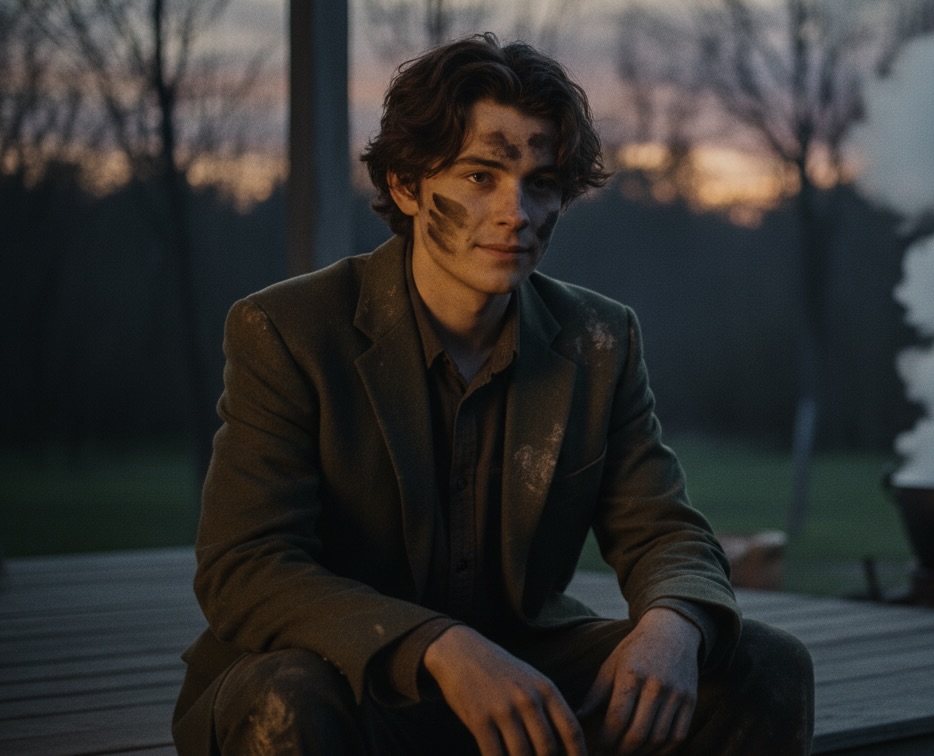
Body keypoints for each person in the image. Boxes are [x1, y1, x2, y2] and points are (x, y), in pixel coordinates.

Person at [171, 33, 814, 756]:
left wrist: (676, 622)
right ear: (408, 187)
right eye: (481, 177)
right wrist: (440, 646)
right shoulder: (287, 330)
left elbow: (662, 528)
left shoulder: (600, 338)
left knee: (765, 665)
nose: (518, 212)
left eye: (541, 183)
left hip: (524, 670)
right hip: (343, 678)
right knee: (286, 703)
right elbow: (246, 567)